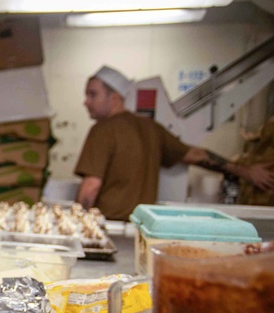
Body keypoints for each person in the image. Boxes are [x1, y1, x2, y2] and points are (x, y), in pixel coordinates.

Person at [75, 65, 274, 220]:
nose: (85, 101)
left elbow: (91, 186)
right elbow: (197, 155)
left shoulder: (101, 130)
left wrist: (76, 224)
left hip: (110, 225)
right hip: (142, 226)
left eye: (93, 94)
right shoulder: (151, 127)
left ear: (115, 97)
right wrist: (247, 172)